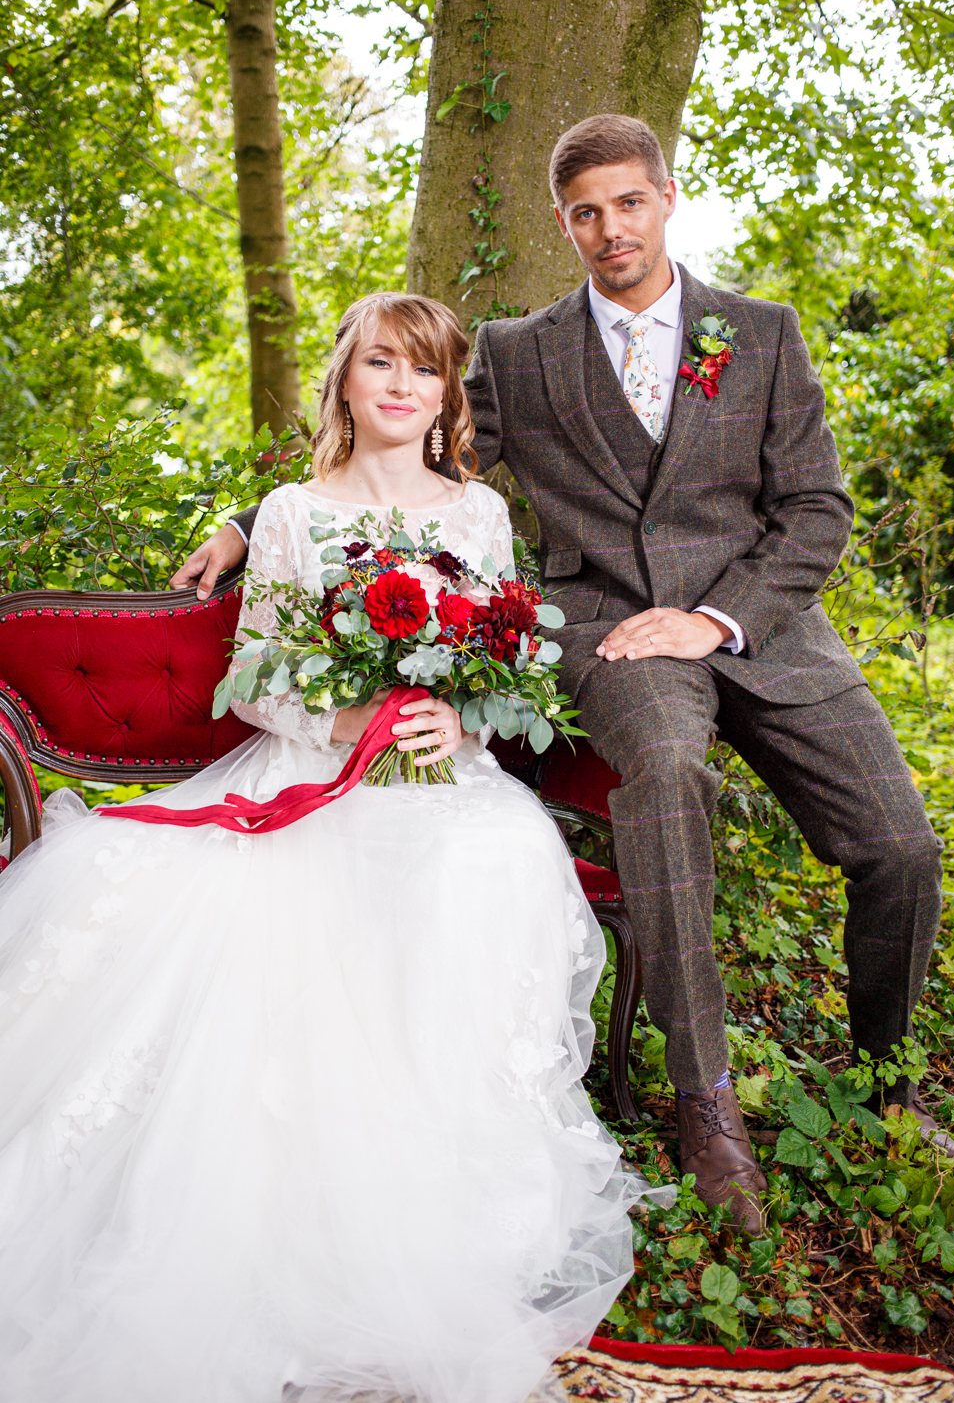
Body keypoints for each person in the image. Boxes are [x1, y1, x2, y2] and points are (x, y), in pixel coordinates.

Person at [177, 115, 954, 1237]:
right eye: (585, 212)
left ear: (665, 199)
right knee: (663, 780)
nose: (609, 229)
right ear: (564, 223)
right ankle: (707, 1104)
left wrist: (717, 617)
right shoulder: (518, 350)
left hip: (765, 631)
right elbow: (407, 454)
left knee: (901, 847)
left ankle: (886, 1077)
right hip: (609, 636)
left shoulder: (762, 333)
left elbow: (815, 510)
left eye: (628, 203)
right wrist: (254, 524)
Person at [0, 293, 655, 1403]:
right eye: (381, 365)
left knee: (484, 858)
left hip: (443, 773)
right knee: (260, 898)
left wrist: (467, 717)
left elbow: (506, 662)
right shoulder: (294, 511)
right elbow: (254, 679)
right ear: (347, 381)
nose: (401, 387)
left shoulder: (479, 515)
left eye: (425, 372)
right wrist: (345, 724)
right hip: (310, 768)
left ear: (450, 397)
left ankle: (446, 1174)